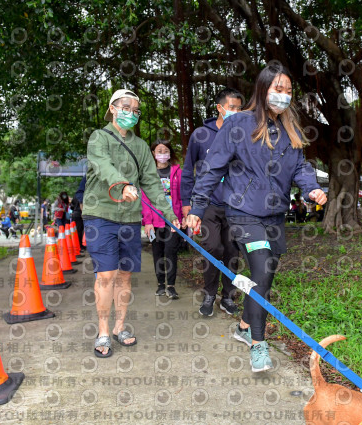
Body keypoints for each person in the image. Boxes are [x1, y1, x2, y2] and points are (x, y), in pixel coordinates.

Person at [187, 64, 327, 372]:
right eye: (278, 89)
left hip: (275, 215)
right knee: (261, 270)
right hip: (243, 212)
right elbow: (212, 168)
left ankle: (242, 325)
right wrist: (196, 208)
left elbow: (301, 168)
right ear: (262, 89)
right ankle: (258, 344)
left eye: (289, 91)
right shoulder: (238, 124)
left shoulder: (291, 128)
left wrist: (312, 189)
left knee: (266, 278)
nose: (283, 96)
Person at [82, 89, 180, 358]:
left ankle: (119, 327)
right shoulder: (98, 137)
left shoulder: (139, 146)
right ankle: (103, 331)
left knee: (124, 275)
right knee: (106, 275)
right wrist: (123, 184)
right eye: (126, 107)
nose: (131, 113)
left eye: (136, 110)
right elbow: (102, 165)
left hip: (129, 217)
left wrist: (169, 214)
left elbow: (151, 183)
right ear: (113, 108)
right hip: (100, 214)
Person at [181, 87, 243, 317]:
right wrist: (187, 203)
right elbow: (188, 170)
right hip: (206, 204)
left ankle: (227, 297)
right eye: (232, 107)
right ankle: (209, 294)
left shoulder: (242, 134)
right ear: (220, 107)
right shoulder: (201, 135)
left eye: (239, 108)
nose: (236, 112)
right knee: (212, 248)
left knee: (232, 251)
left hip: (234, 205)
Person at [142, 139, 184, 300]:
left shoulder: (177, 171)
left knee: (171, 252)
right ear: (153, 153)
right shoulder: (148, 173)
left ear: (170, 153)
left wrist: (181, 217)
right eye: (159, 151)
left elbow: (182, 197)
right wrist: (148, 222)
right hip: (155, 220)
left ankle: (171, 286)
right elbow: (145, 200)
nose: (162, 154)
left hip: (173, 221)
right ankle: (160, 284)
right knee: (158, 253)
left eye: (165, 151)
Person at [74, 176, 86, 249]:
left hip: (78, 213)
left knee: (79, 230)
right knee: (80, 230)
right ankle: (80, 245)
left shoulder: (77, 197)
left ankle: (80, 245)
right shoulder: (80, 197)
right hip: (79, 214)